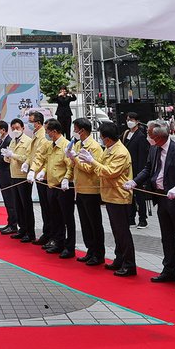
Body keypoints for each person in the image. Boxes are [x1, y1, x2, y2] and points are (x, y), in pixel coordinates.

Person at [130, 121, 175, 287]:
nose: (148, 137)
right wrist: (134, 182)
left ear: (159, 137)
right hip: (161, 199)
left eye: (150, 134)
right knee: (167, 238)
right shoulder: (154, 148)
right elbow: (148, 169)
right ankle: (169, 269)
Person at [77, 122, 133, 272]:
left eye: (101, 136)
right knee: (116, 231)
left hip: (119, 195)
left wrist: (92, 161)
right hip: (109, 195)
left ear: (107, 138)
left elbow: (110, 171)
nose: (101, 139)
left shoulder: (121, 152)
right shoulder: (109, 149)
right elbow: (99, 167)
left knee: (122, 232)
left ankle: (129, 264)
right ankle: (119, 258)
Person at [29, 119, 74, 258]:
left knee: (67, 218)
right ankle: (58, 242)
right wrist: (36, 170)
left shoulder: (66, 145)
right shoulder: (50, 145)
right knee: (55, 216)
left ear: (54, 131)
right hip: (51, 185)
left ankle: (70, 247)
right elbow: (43, 159)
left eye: (47, 130)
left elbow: (70, 165)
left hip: (63, 187)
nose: (46, 133)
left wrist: (67, 177)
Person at [68, 118, 104, 264]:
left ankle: (98, 253)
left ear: (82, 130)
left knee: (94, 223)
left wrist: (75, 159)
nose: (74, 132)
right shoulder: (77, 144)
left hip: (91, 189)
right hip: (80, 188)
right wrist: (71, 158)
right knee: (85, 223)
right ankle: (90, 250)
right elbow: (74, 164)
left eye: (76, 129)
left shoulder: (94, 146)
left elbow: (91, 168)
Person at [26, 111, 54, 246]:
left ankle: (52, 235)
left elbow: (45, 157)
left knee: (49, 208)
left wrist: (39, 170)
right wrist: (28, 164)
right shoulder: (36, 135)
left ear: (37, 123)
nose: (29, 124)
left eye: (31, 122)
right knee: (44, 206)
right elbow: (33, 154)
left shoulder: (44, 136)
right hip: (37, 174)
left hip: (45, 176)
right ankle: (47, 233)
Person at [5, 118, 34, 242]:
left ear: (23, 128)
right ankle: (22, 229)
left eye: (17, 128)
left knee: (25, 205)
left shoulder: (28, 141)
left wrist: (13, 155)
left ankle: (30, 232)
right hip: (13, 175)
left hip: (23, 177)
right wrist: (6, 156)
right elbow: (9, 159)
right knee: (17, 205)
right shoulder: (12, 141)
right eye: (13, 128)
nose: (15, 130)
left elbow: (27, 158)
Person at [122, 112, 149, 228]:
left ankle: (143, 219)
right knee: (129, 195)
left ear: (137, 121)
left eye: (131, 119)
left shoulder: (141, 136)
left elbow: (142, 156)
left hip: (137, 170)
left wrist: (141, 174)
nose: (129, 121)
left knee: (140, 196)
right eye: (128, 119)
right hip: (127, 170)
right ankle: (131, 218)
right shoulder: (126, 134)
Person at [0, 121, 18, 235]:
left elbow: (4, 158)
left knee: (10, 200)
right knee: (7, 200)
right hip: (2, 174)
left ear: (3, 130)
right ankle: (10, 222)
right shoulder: (1, 141)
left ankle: (13, 225)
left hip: (7, 174)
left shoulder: (9, 141)